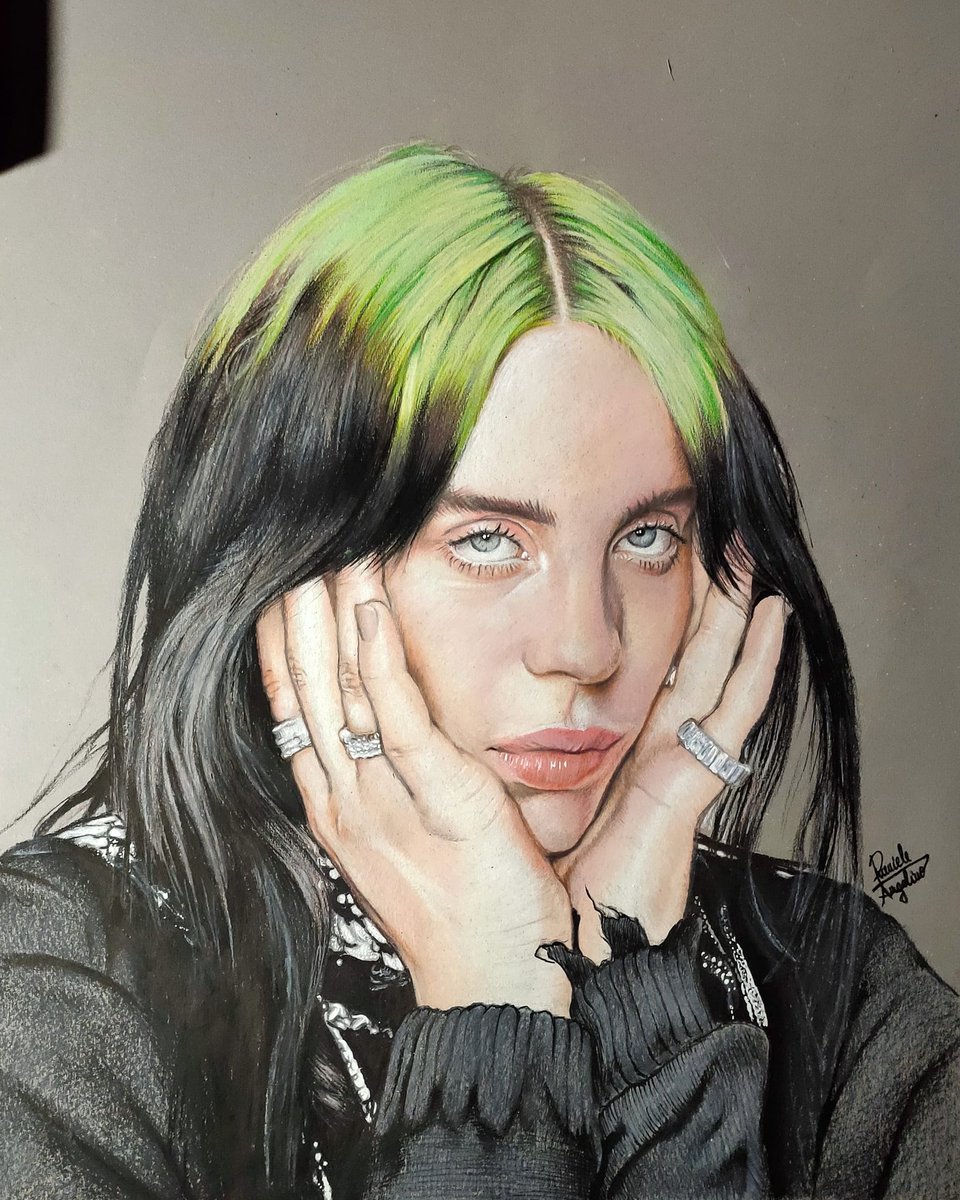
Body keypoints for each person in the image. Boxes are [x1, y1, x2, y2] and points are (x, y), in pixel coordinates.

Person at [0, 142, 956, 1200]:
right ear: (293, 570)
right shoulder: (55, 994)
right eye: (487, 541)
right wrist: (488, 1021)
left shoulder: (839, 991)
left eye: (647, 538)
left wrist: (638, 991)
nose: (586, 647)